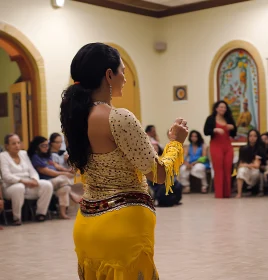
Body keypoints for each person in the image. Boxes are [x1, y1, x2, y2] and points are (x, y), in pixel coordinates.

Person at [60, 43, 188, 280]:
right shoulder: (118, 117)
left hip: (87, 225)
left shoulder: (74, 119)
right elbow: (159, 175)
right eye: (123, 71)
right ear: (109, 75)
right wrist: (175, 142)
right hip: (121, 226)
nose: (125, 79)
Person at [0, 134, 53, 225]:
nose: (17, 145)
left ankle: (40, 214)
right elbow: (6, 176)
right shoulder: (2, 156)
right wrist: (23, 181)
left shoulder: (23, 154)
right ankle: (17, 218)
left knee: (47, 184)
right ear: (7, 146)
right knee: (19, 187)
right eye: (13, 143)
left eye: (18, 143)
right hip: (11, 186)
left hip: (28, 183)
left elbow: (32, 170)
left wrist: (35, 179)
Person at [28, 136, 81, 219]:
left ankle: (62, 213)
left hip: (57, 181)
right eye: (43, 145)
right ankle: (73, 194)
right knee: (64, 178)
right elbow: (46, 171)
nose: (46, 147)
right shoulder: (36, 157)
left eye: (47, 145)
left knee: (64, 188)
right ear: (37, 146)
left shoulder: (46, 155)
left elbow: (55, 165)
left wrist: (67, 170)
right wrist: (63, 173)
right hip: (46, 181)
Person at [204, 100, 237, 198]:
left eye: (224, 107)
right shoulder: (211, 119)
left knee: (228, 169)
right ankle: (219, 194)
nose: (223, 109)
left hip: (227, 146)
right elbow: (206, 131)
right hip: (216, 146)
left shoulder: (228, 118)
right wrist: (215, 129)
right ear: (216, 108)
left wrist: (232, 128)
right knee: (218, 169)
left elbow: (234, 133)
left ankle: (227, 194)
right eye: (221, 107)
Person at [236, 129, 265, 198]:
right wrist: (248, 165)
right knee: (241, 171)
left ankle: (259, 190)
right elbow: (240, 164)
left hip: (257, 171)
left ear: (257, 138)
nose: (252, 138)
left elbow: (257, 165)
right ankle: (239, 193)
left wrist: (247, 165)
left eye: (255, 136)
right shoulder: (243, 148)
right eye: (250, 136)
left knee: (256, 172)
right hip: (247, 169)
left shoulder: (260, 149)